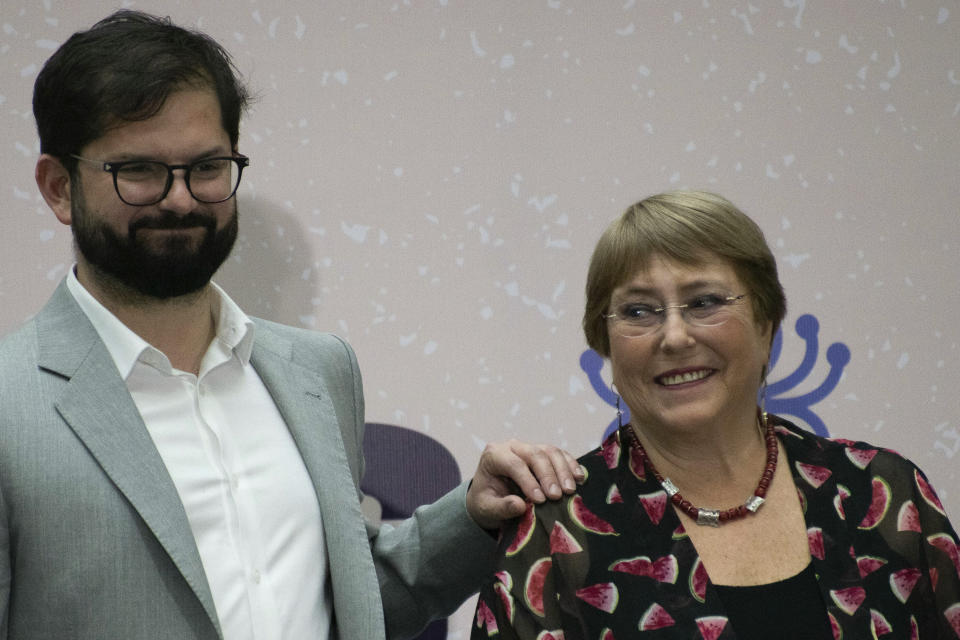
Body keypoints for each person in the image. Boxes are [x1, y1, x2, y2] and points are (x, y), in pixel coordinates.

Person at [0, 10, 585, 640]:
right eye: (138, 170)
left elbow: (351, 604)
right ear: (59, 187)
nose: (179, 198)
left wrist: (471, 517)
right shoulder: (11, 404)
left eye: (206, 167)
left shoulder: (318, 368)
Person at [473, 191, 960, 639]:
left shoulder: (884, 491)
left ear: (765, 326)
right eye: (640, 311)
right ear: (606, 348)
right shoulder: (556, 532)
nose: (676, 336)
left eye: (704, 302)